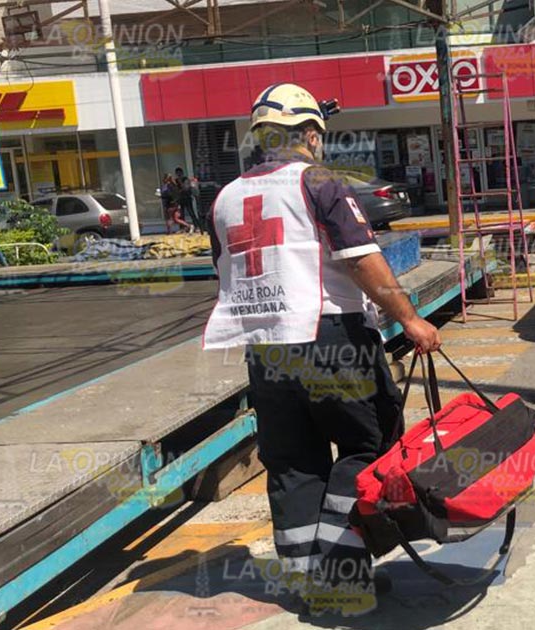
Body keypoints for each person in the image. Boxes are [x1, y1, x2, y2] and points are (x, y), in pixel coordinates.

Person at [202, 83, 441, 608]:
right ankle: (343, 576)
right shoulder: (318, 180)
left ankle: (310, 584)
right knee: (366, 449)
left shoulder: (224, 198)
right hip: (330, 337)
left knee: (292, 463)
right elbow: (361, 259)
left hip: (266, 351)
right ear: (310, 135)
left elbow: (224, 275)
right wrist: (411, 319)